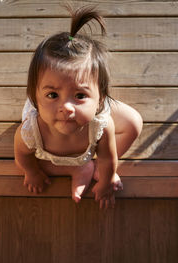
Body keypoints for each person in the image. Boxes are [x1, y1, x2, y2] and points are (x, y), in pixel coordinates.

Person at [14, 5, 142, 209]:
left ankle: (91, 167)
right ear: (35, 97)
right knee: (42, 164)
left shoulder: (102, 124)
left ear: (101, 100)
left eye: (79, 95)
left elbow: (109, 158)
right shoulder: (30, 132)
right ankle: (77, 169)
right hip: (52, 149)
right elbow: (22, 156)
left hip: (91, 118)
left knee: (134, 123)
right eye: (53, 95)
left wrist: (106, 181)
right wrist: (32, 172)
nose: (66, 107)